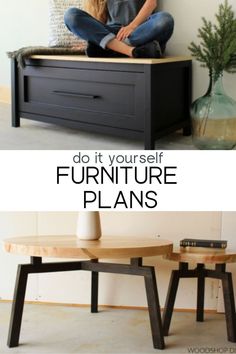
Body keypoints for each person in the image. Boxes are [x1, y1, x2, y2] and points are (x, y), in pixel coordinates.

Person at [64, 0, 174, 58]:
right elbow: (98, 18)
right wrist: (90, 36)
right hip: (114, 34)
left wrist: (132, 26)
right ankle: (132, 51)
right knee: (71, 16)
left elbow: (152, 3)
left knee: (165, 20)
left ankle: (112, 49)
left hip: (140, 31)